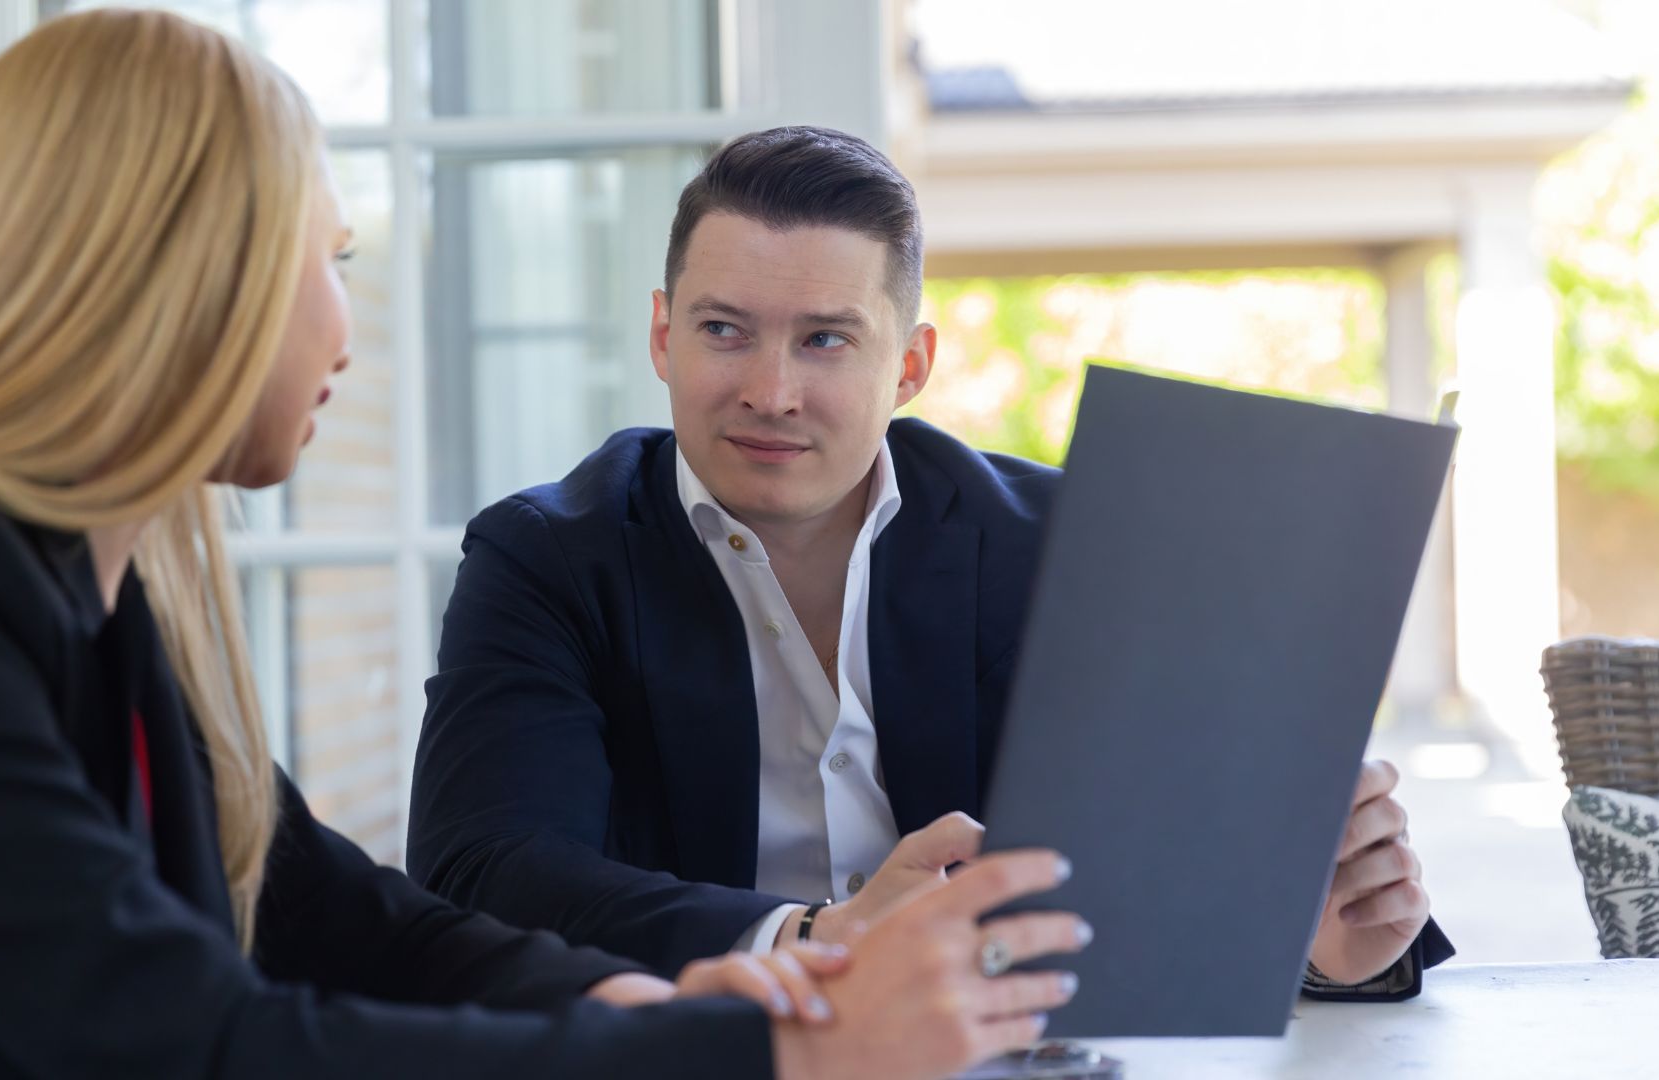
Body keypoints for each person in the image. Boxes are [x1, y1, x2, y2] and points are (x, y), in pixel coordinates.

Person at [0, 15, 1087, 1079]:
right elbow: (183, 1039)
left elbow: (338, 915)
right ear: (177, 282)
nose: (346, 333)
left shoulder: (109, 597)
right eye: (330, 262)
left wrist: (644, 1009)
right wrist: (774, 1053)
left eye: (823, 340)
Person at [409, 125, 1455, 998]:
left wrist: (1327, 954)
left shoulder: (1070, 547)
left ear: (909, 365)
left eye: (826, 340)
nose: (769, 391)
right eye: (724, 330)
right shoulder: (546, 557)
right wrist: (818, 937)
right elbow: (483, 874)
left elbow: (1207, 864)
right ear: (662, 337)